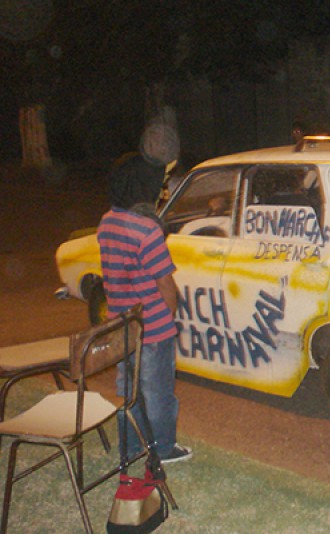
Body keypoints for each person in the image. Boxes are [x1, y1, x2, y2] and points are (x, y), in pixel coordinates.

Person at [97, 121, 192, 464]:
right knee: (158, 392)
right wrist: (170, 314)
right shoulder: (147, 231)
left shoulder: (107, 223)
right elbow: (165, 283)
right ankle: (163, 448)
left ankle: (132, 445)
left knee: (128, 391)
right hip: (153, 327)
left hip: (122, 324)